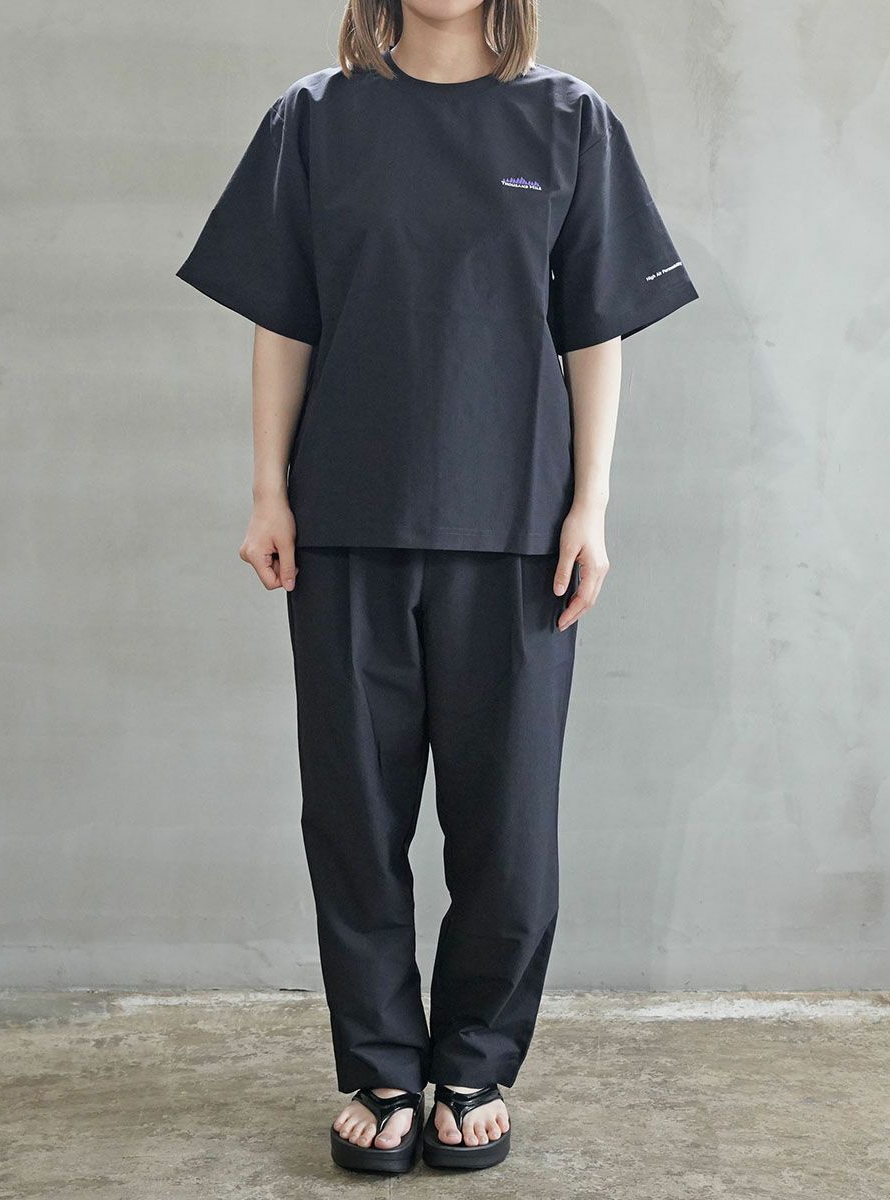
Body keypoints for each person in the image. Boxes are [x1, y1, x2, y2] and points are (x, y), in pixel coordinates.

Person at [176, 0, 697, 1176]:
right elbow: (284, 321)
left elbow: (594, 331)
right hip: (347, 521)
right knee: (353, 817)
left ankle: (472, 1062)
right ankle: (379, 1066)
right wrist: (267, 491)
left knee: (507, 826)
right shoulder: (314, 120)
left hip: (516, 528)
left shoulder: (569, 121)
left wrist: (589, 507)